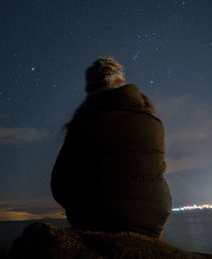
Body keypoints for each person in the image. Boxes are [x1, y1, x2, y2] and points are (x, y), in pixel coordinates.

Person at [50, 56, 172, 238]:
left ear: (91, 89)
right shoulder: (152, 121)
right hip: (154, 218)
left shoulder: (84, 122)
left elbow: (60, 184)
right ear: (122, 82)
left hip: (98, 218)